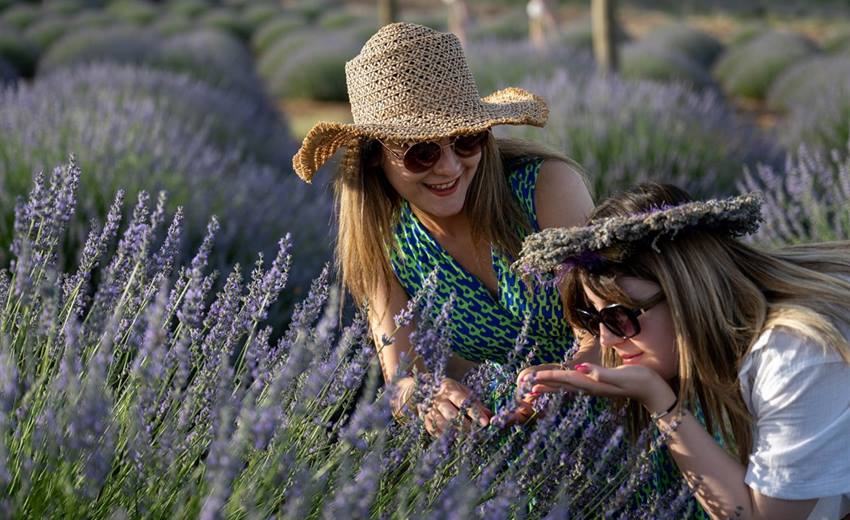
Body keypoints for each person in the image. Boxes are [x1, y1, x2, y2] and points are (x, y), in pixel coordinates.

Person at [291, 22, 595, 436]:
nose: (450, 166)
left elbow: (606, 328)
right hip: (508, 454)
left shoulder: (545, 188)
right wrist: (425, 395)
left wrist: (567, 378)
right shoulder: (385, 245)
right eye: (421, 152)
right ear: (375, 156)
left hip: (614, 420)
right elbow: (402, 378)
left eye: (466, 139)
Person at [515, 183, 850, 519]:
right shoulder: (749, 333)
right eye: (594, 317)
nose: (606, 340)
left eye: (619, 315)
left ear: (685, 293)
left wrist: (661, 404)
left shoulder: (793, 356)